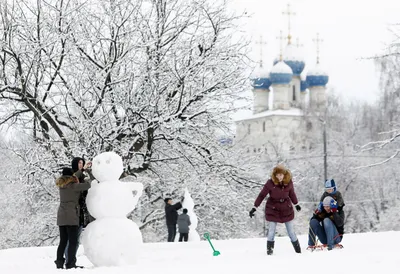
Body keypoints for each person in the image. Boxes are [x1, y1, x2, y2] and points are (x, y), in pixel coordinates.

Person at [249, 165, 302, 255]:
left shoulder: (289, 182)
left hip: (286, 208)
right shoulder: (270, 183)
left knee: (291, 232)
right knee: (271, 231)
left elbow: (292, 194)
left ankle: (298, 252)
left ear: (284, 175)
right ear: (275, 175)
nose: (279, 177)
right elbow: (262, 195)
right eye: (277, 175)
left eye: (281, 175)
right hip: (273, 208)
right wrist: (255, 207)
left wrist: (296, 204)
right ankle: (269, 253)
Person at [54, 167, 91, 269]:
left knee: (63, 241)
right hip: (72, 216)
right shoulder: (74, 186)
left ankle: (59, 262)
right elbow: (88, 185)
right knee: (73, 242)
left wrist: (82, 170)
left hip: (61, 216)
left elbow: (74, 176)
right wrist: (89, 176)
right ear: (71, 177)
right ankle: (70, 264)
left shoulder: (61, 185)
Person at [64, 157, 94, 262]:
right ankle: (69, 261)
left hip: (81, 211)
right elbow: (74, 178)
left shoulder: (82, 177)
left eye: (82, 163)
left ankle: (71, 261)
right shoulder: (70, 176)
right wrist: (83, 170)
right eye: (79, 163)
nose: (81, 164)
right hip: (72, 212)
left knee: (76, 240)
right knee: (71, 239)